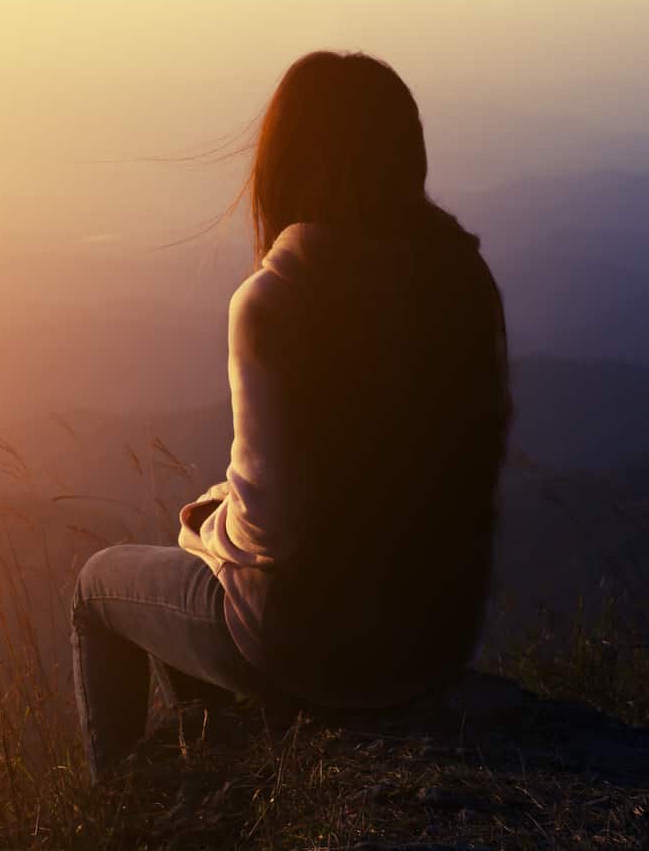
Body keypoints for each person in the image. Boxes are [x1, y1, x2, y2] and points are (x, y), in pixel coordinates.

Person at [70, 51, 511, 782]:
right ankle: (219, 766)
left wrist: (204, 527)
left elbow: (269, 536)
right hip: (439, 640)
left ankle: (121, 816)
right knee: (207, 545)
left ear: (285, 162)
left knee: (95, 586)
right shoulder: (462, 283)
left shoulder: (278, 298)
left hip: (316, 655)